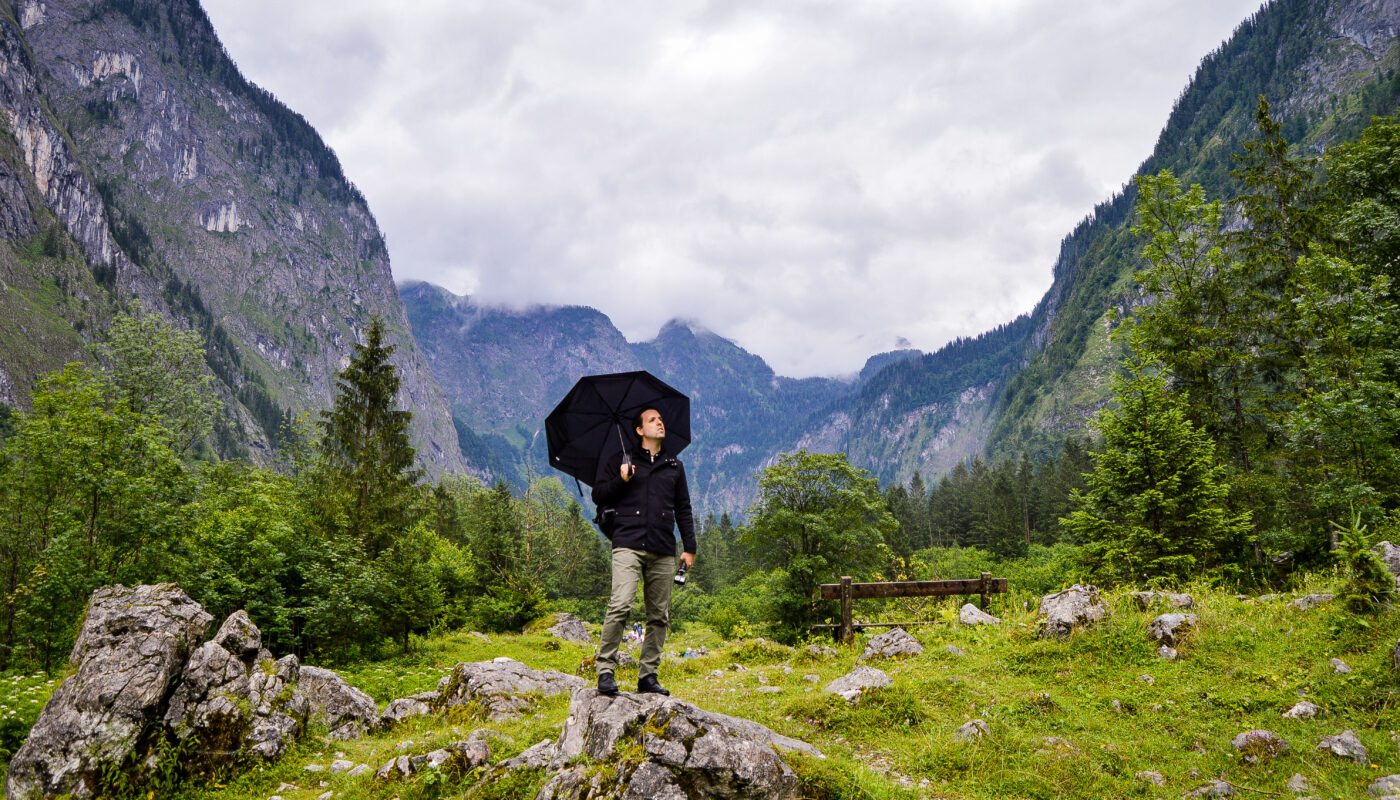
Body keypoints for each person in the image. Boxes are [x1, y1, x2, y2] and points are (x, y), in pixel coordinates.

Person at [591, 407, 696, 696]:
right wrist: (621, 480)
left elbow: (683, 509)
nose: (660, 422)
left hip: (663, 547)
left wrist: (690, 548)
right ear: (639, 431)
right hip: (627, 543)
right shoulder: (622, 461)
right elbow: (598, 495)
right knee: (621, 604)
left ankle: (648, 676)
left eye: (661, 419)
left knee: (659, 615)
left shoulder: (674, 466)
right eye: (653, 420)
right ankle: (605, 670)